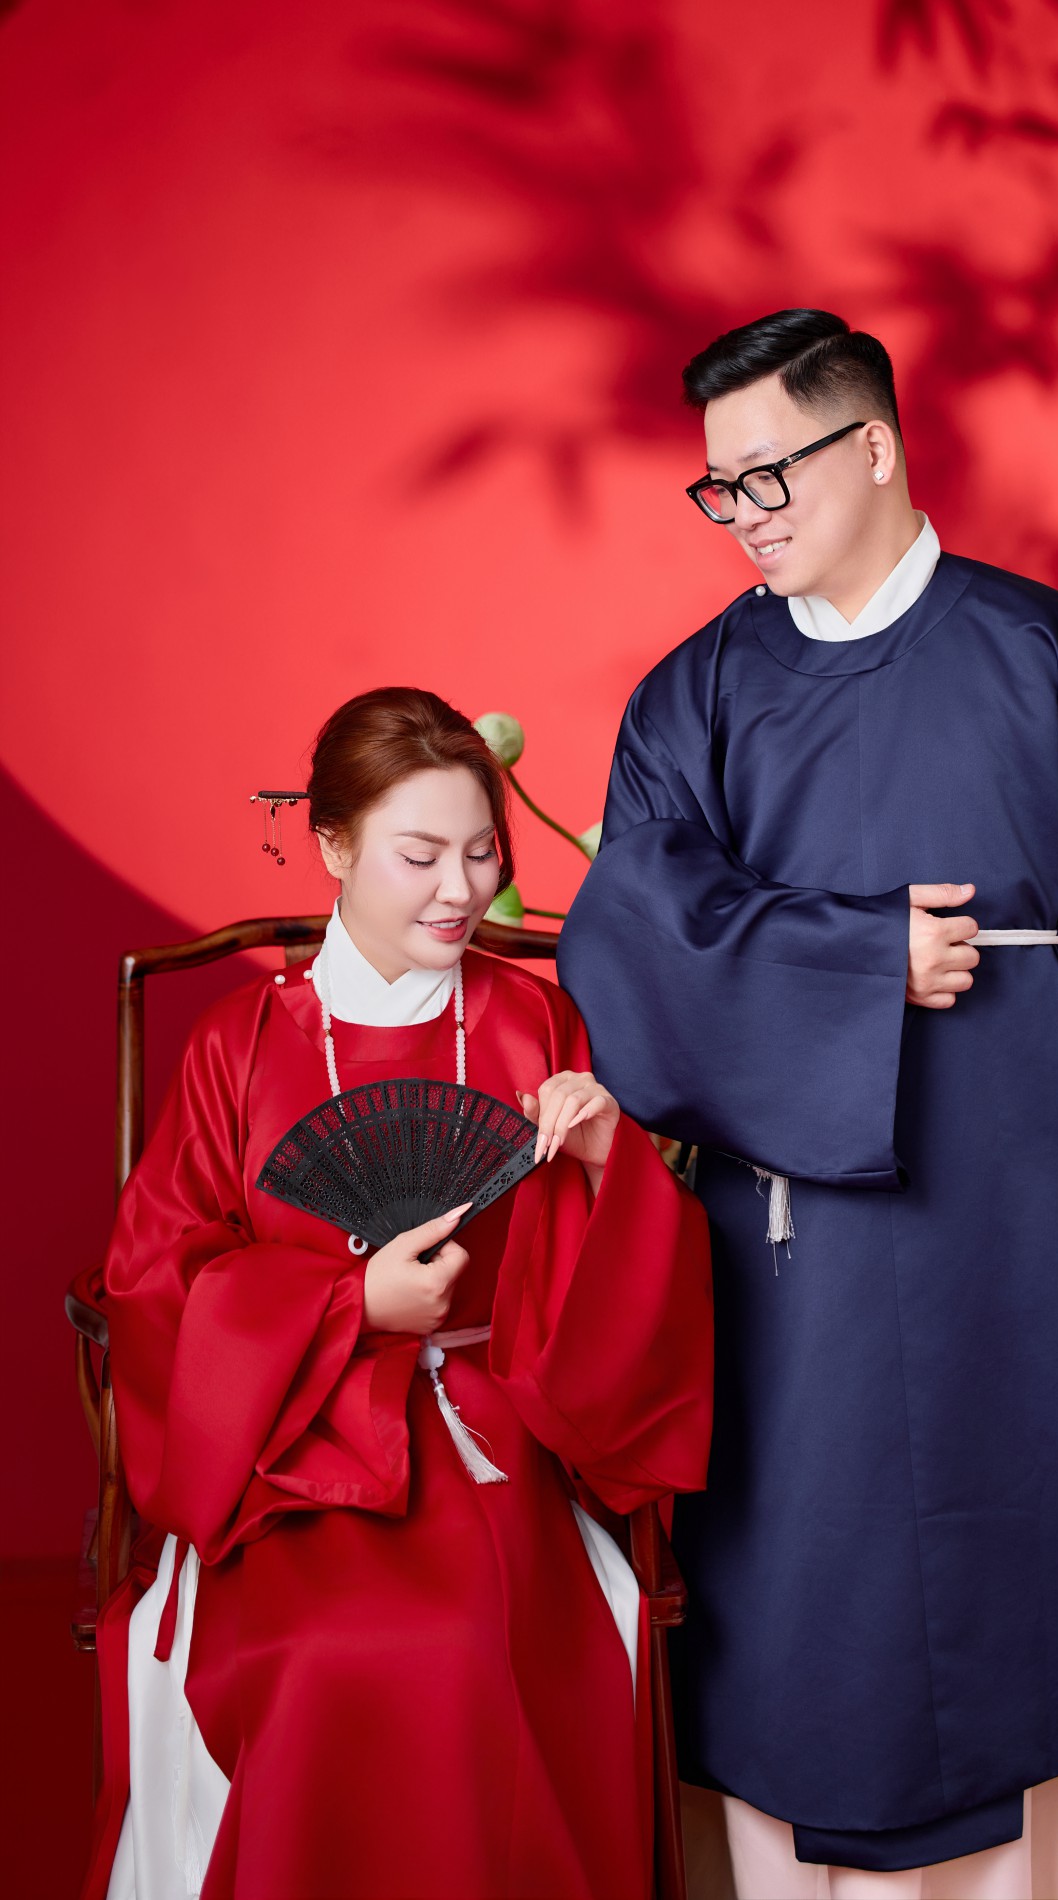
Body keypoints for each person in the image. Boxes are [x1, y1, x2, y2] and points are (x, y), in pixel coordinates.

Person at [556, 309, 1058, 1897]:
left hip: (1027, 1204)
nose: (741, 513)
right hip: (800, 1250)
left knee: (1057, 1556)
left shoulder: (1055, 659)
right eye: (717, 488)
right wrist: (858, 971)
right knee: (823, 1577)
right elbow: (630, 940)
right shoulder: (693, 699)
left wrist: (1024, 1075)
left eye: (767, 473)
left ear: (871, 445)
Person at [82, 686, 713, 1900]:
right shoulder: (239, 1043)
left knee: (474, 1644)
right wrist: (345, 1307)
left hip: (498, 1421)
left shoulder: (533, 1019)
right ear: (332, 846)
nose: (458, 891)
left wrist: (605, 1165)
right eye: (419, 856)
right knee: (319, 1654)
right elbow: (154, 1280)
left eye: (482, 853)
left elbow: (619, 1283)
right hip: (285, 1442)